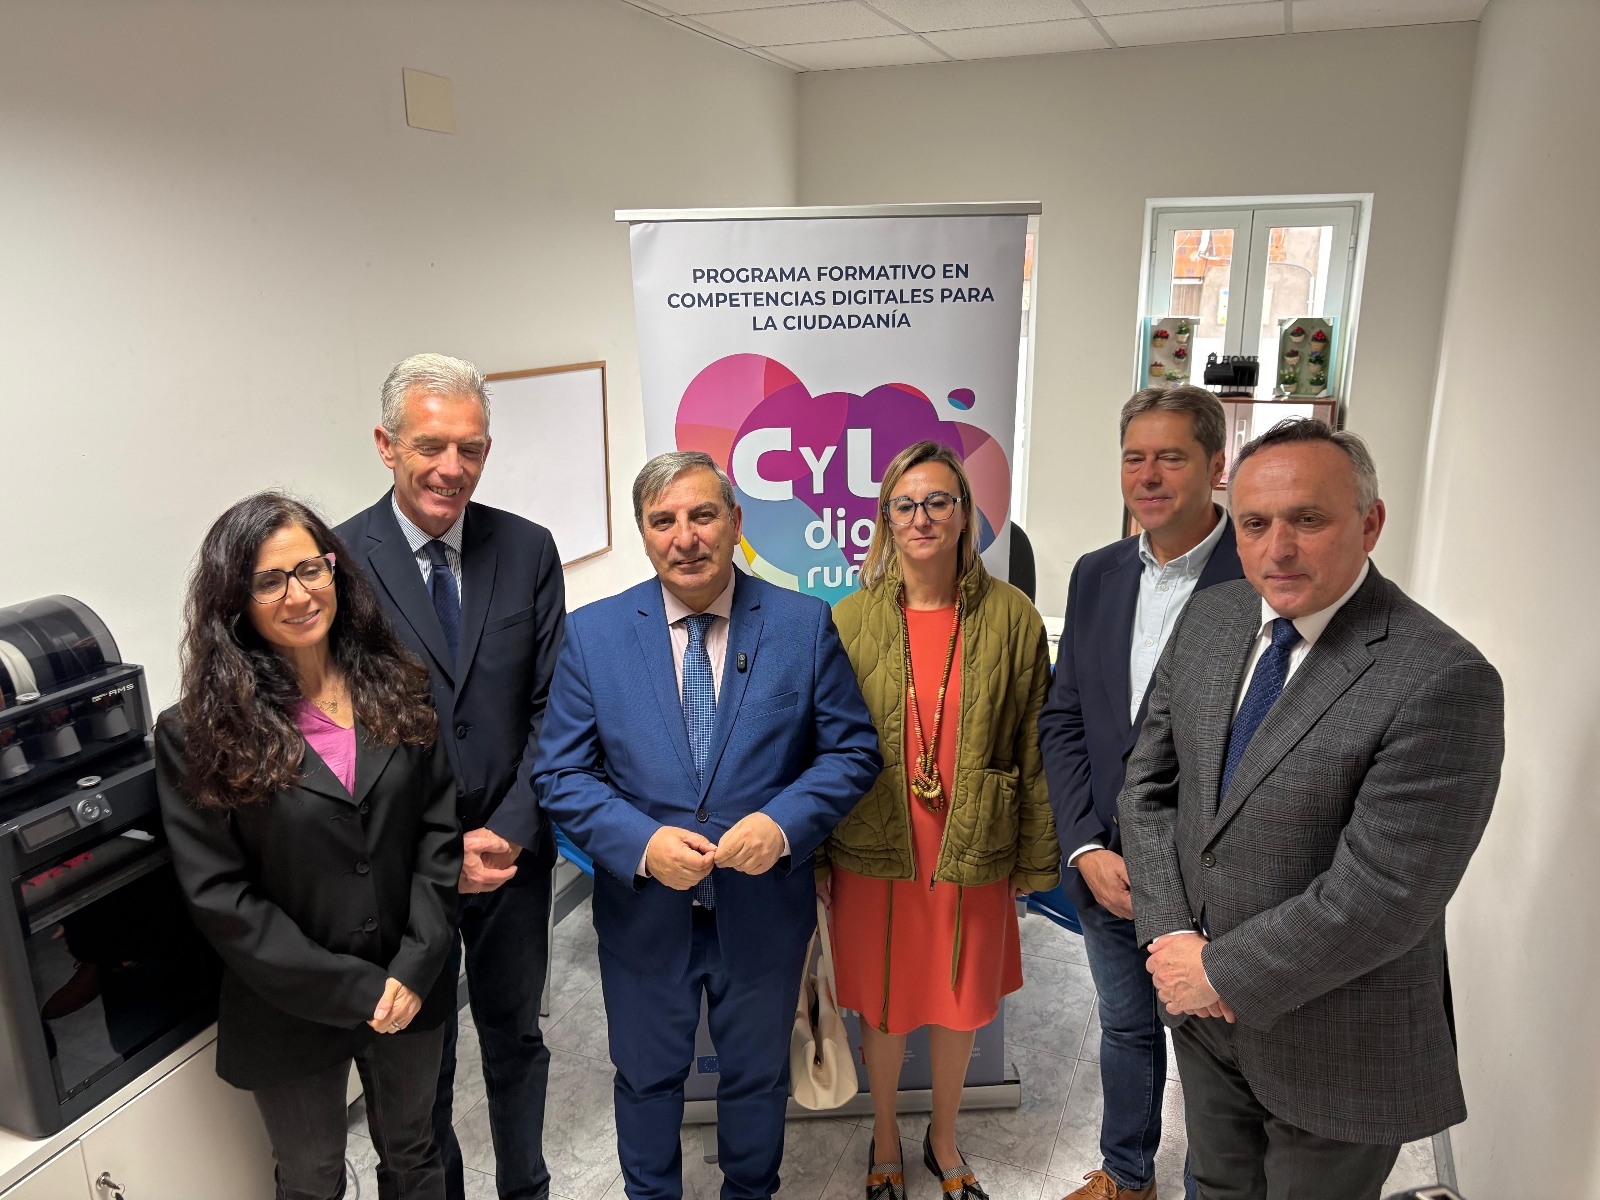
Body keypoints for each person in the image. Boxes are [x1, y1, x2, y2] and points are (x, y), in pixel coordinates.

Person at [1118, 419, 1504, 1200]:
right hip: (1203, 1023)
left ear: (1370, 522)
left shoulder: (1441, 678)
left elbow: (1385, 894)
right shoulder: (1213, 617)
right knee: (1215, 1187)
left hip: (1337, 1043)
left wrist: (1218, 970)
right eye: (1255, 523)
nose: (1278, 548)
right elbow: (1149, 789)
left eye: (1308, 518)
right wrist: (1170, 937)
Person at [534, 451, 881, 1200]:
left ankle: (750, 1192)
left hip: (764, 913)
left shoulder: (801, 624)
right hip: (643, 916)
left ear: (735, 522)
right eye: (663, 521)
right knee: (646, 1079)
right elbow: (560, 774)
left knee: (757, 1079)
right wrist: (642, 844)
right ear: (643, 533)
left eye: (702, 515)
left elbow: (853, 751)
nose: (685, 537)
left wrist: (782, 826)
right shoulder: (593, 635)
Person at [155, 491, 461, 1200]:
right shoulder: (196, 732)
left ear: (335, 572)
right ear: (235, 602)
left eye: (310, 570)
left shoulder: (399, 683)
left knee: (416, 1153)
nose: (298, 595)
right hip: (289, 1000)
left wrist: (416, 961)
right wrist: (355, 988)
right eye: (269, 581)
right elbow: (220, 897)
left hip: (410, 979)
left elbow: (439, 830)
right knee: (312, 1176)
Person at [336, 353, 566, 1200]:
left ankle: (525, 1187)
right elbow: (340, 734)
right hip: (403, 868)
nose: (451, 468)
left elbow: (553, 706)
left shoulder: (527, 549)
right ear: (385, 445)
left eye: (470, 448)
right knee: (419, 1062)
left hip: (512, 852)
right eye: (430, 446)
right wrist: (437, 848)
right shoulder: (338, 564)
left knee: (516, 1039)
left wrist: (509, 827)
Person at [820, 440, 1060, 1200]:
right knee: (886, 1002)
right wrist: (817, 857)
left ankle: (944, 1138)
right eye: (905, 504)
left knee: (960, 1003)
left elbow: (1035, 744)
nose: (921, 517)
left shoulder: (1014, 616)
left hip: (974, 838)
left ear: (965, 515)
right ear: (886, 520)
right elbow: (818, 748)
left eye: (938, 502)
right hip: (876, 839)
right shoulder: (849, 619)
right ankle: (885, 1134)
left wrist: (1035, 859)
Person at [1037, 386, 1242, 1200]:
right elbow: (1065, 717)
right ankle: (1126, 1175)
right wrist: (1084, 844)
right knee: (1125, 1028)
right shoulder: (1097, 574)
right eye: (1134, 458)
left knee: (1213, 1053)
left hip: (1208, 877)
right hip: (1106, 867)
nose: (1148, 476)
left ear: (1217, 465)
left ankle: (1207, 1187)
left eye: (1170, 458)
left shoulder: (1259, 575)